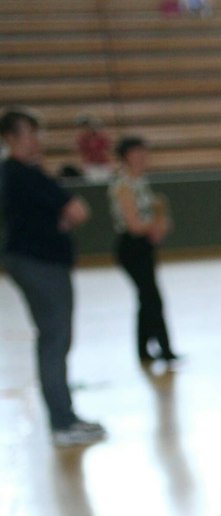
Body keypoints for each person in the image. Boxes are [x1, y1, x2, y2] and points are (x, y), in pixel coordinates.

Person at [1, 109, 104, 447]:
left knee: (54, 339)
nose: (36, 141)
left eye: (36, 134)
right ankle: (63, 422)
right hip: (40, 265)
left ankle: (65, 417)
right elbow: (79, 211)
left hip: (31, 261)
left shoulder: (16, 175)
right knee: (55, 340)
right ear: (12, 138)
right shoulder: (24, 175)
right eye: (29, 135)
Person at [110, 136, 179, 368]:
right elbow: (134, 225)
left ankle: (144, 351)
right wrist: (156, 224)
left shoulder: (139, 182)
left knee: (146, 298)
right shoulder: (124, 186)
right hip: (132, 248)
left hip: (143, 246)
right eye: (136, 153)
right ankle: (164, 349)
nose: (142, 157)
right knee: (152, 298)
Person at [75, 115, 114, 182]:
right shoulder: (83, 138)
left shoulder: (101, 137)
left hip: (103, 164)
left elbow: (107, 148)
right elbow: (81, 151)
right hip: (91, 165)